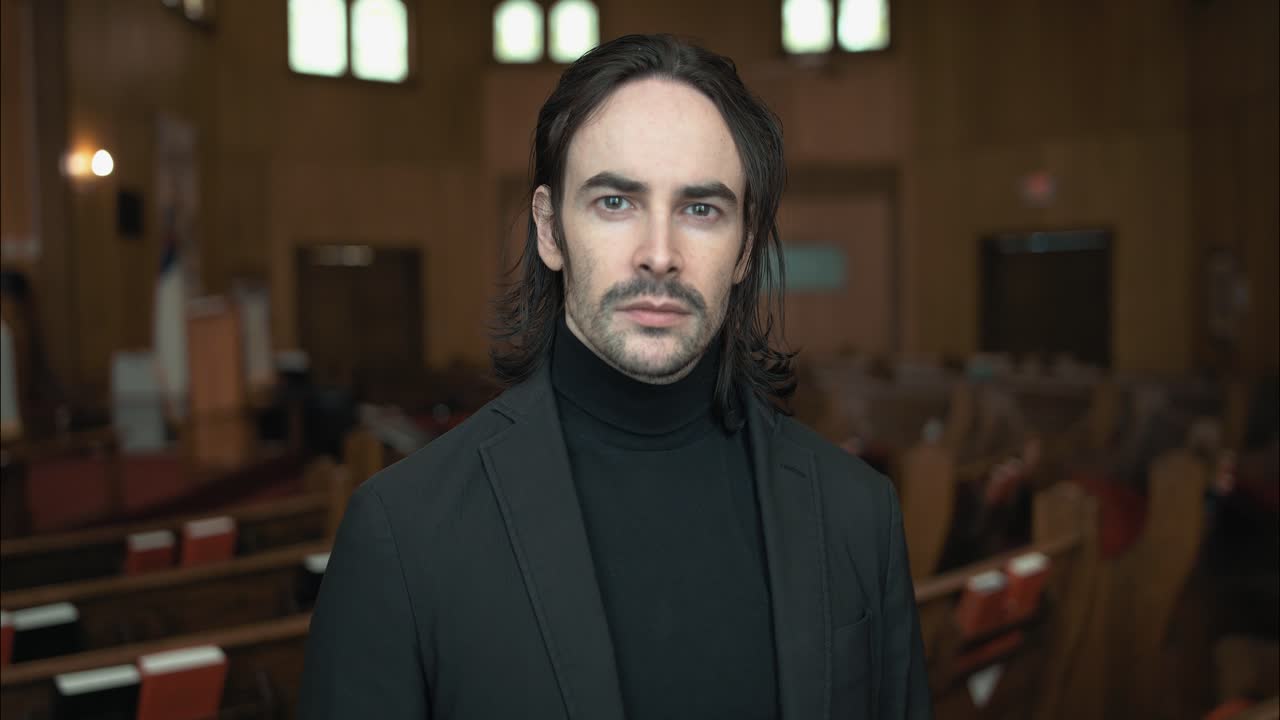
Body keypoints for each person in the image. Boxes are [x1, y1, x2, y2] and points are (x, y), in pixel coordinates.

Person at [299, 33, 931, 720]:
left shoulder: (857, 513)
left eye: (700, 209)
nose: (659, 255)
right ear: (549, 229)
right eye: (615, 202)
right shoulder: (401, 531)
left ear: (745, 246)